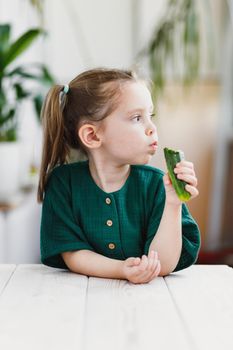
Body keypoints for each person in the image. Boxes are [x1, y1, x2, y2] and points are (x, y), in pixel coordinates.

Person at [38, 67, 201, 284]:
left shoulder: (156, 184)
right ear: (92, 135)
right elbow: (73, 254)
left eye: (150, 115)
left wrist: (173, 203)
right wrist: (122, 269)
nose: (152, 127)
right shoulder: (62, 184)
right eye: (136, 118)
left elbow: (161, 264)